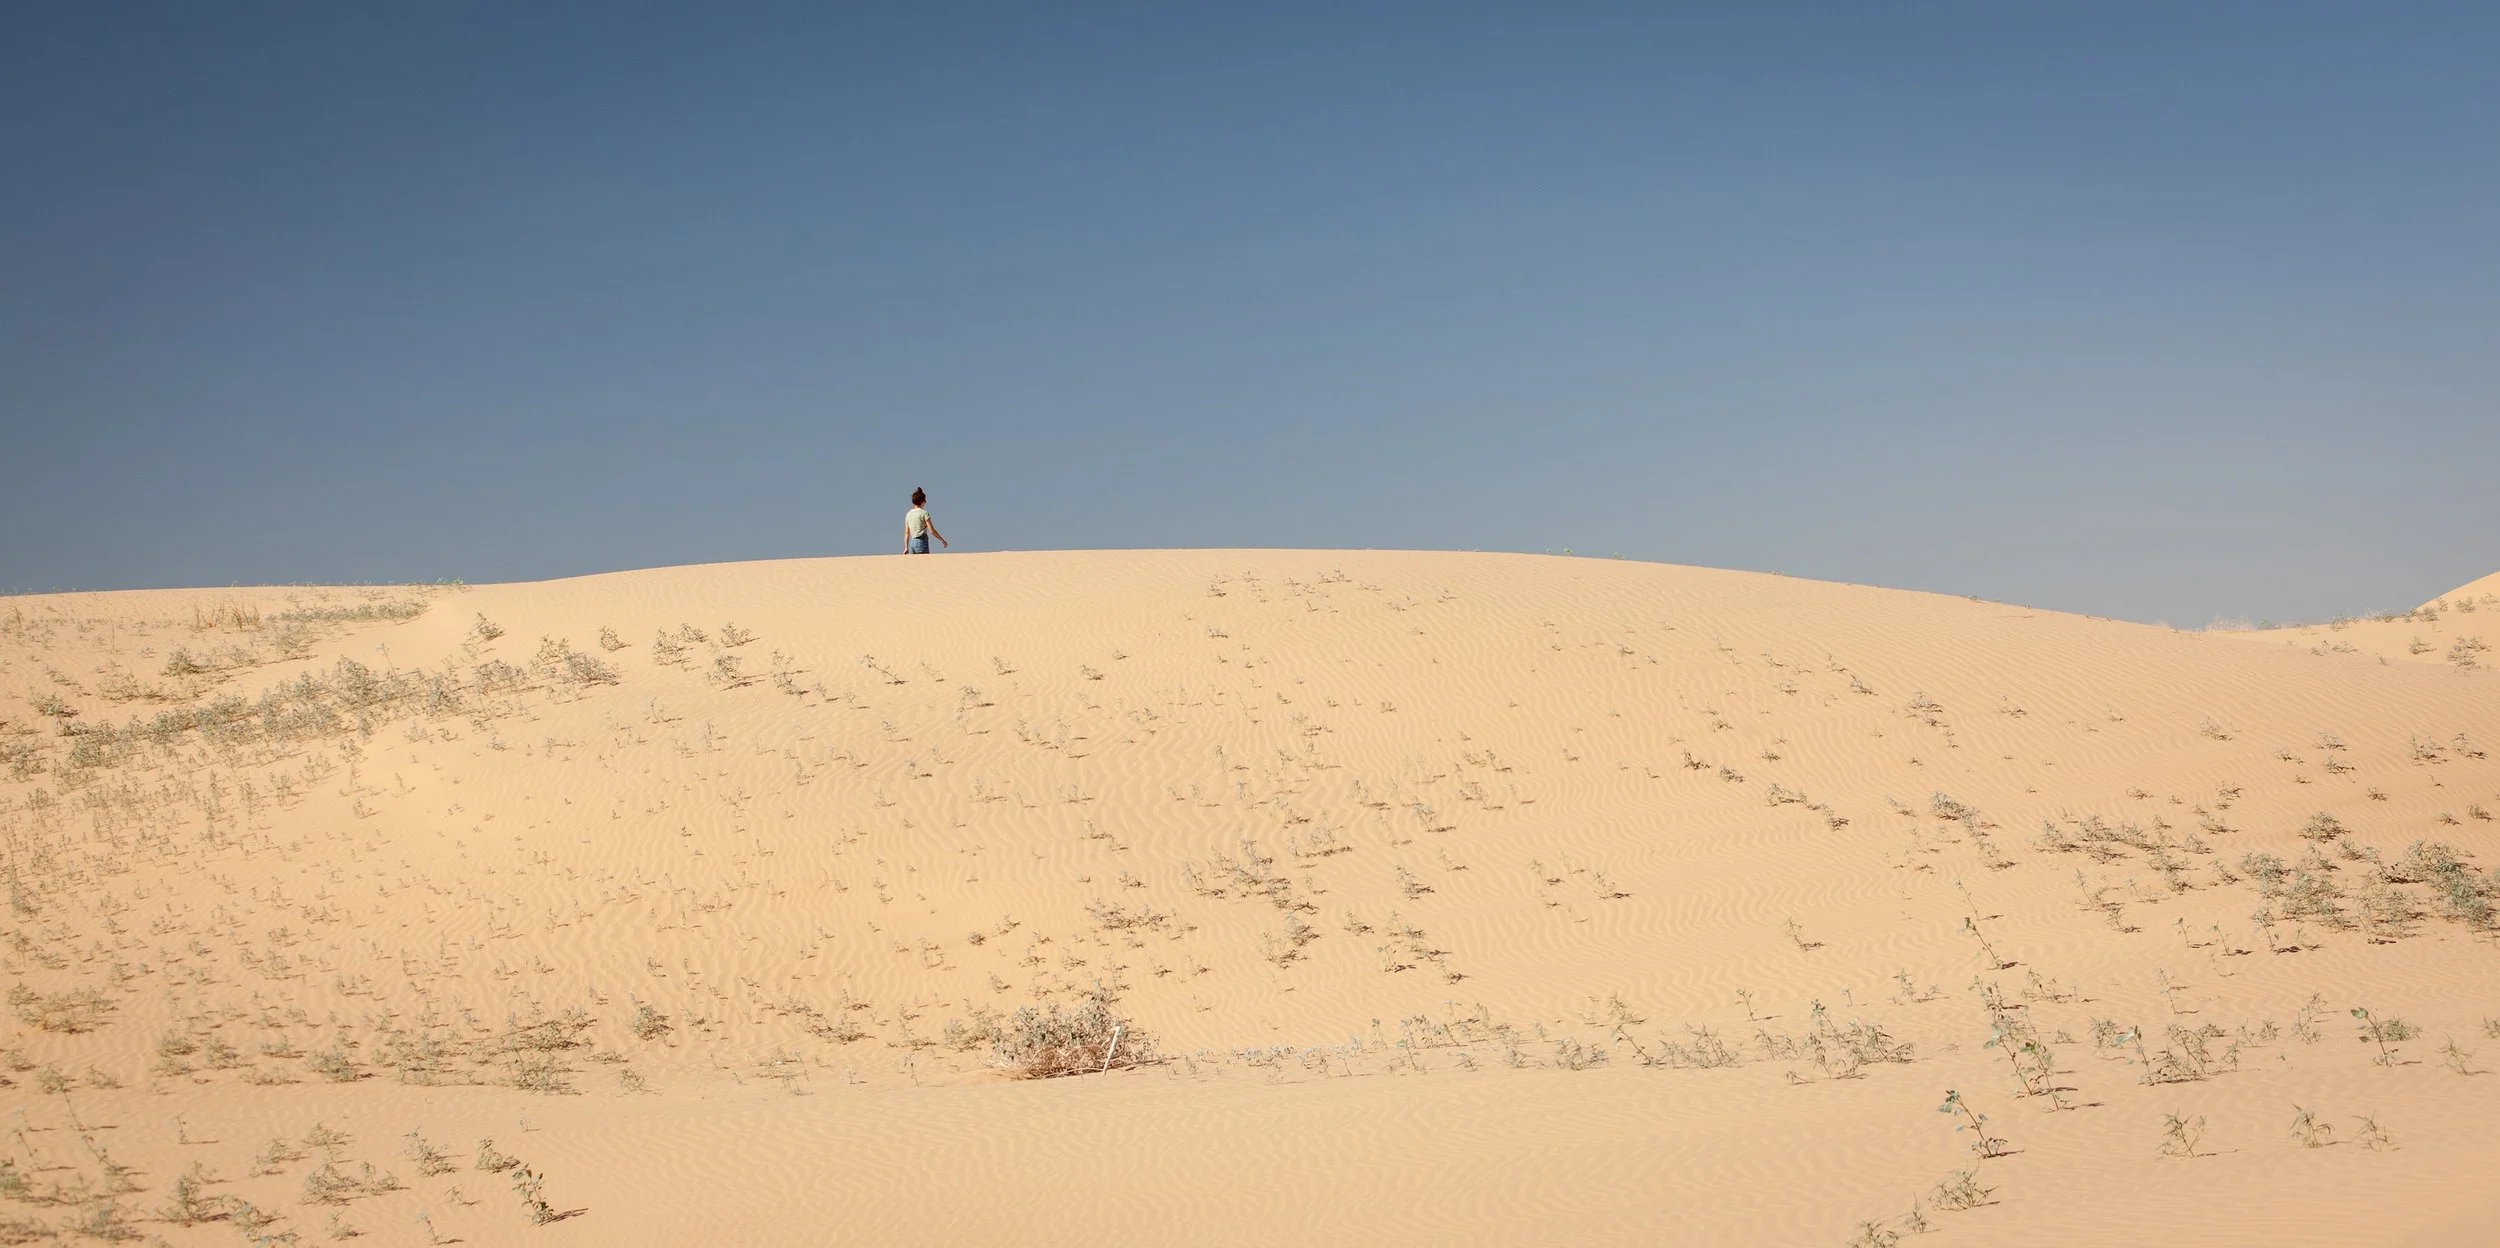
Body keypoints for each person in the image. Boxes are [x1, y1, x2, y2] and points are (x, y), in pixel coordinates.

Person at [903, 488, 947, 555]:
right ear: (922, 501)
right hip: (921, 542)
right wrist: (942, 540)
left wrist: (906, 547)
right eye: (925, 501)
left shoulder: (908, 514)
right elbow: (932, 530)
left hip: (912, 544)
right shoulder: (924, 513)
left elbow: (907, 532)